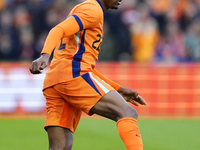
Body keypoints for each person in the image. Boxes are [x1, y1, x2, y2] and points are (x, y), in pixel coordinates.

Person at [29, 0, 147, 150]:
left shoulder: (86, 9)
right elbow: (58, 29)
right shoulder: (93, 10)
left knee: (60, 146)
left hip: (56, 79)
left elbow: (84, 64)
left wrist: (118, 88)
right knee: (127, 112)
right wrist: (45, 55)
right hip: (72, 76)